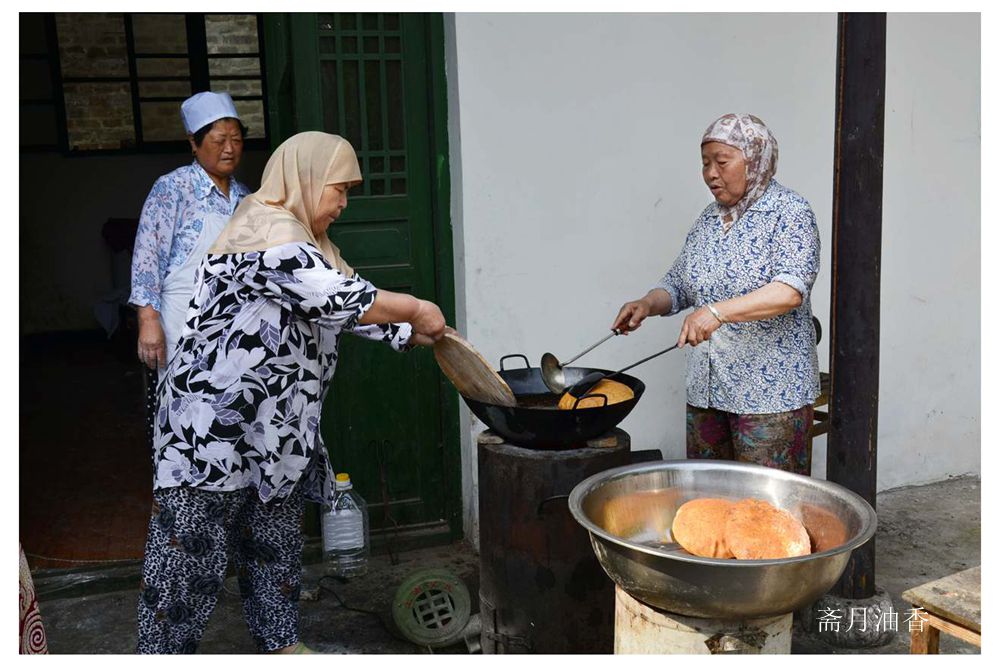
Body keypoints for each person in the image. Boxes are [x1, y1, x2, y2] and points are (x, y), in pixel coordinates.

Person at [135, 132, 446, 654]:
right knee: (189, 556)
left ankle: (280, 644)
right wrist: (415, 308)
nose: (344, 204)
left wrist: (406, 333)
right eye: (339, 189)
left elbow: (342, 307)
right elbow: (335, 298)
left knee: (273, 541)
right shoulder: (265, 231)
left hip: (275, 427)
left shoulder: (311, 245)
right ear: (306, 179)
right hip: (212, 429)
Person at [612, 113, 820, 475]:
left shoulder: (789, 212)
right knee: (708, 496)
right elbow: (679, 283)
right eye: (705, 163)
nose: (710, 173)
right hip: (708, 390)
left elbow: (789, 291)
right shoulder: (709, 219)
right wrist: (647, 303)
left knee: (764, 502)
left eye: (721, 162)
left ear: (755, 160)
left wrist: (717, 312)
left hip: (768, 396)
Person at [130, 91, 251, 444]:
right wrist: (148, 320)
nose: (229, 149)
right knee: (188, 416)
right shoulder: (173, 188)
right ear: (194, 144)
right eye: (219, 140)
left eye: (236, 140)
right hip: (183, 323)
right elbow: (147, 257)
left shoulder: (246, 197)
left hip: (236, 324)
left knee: (231, 415)